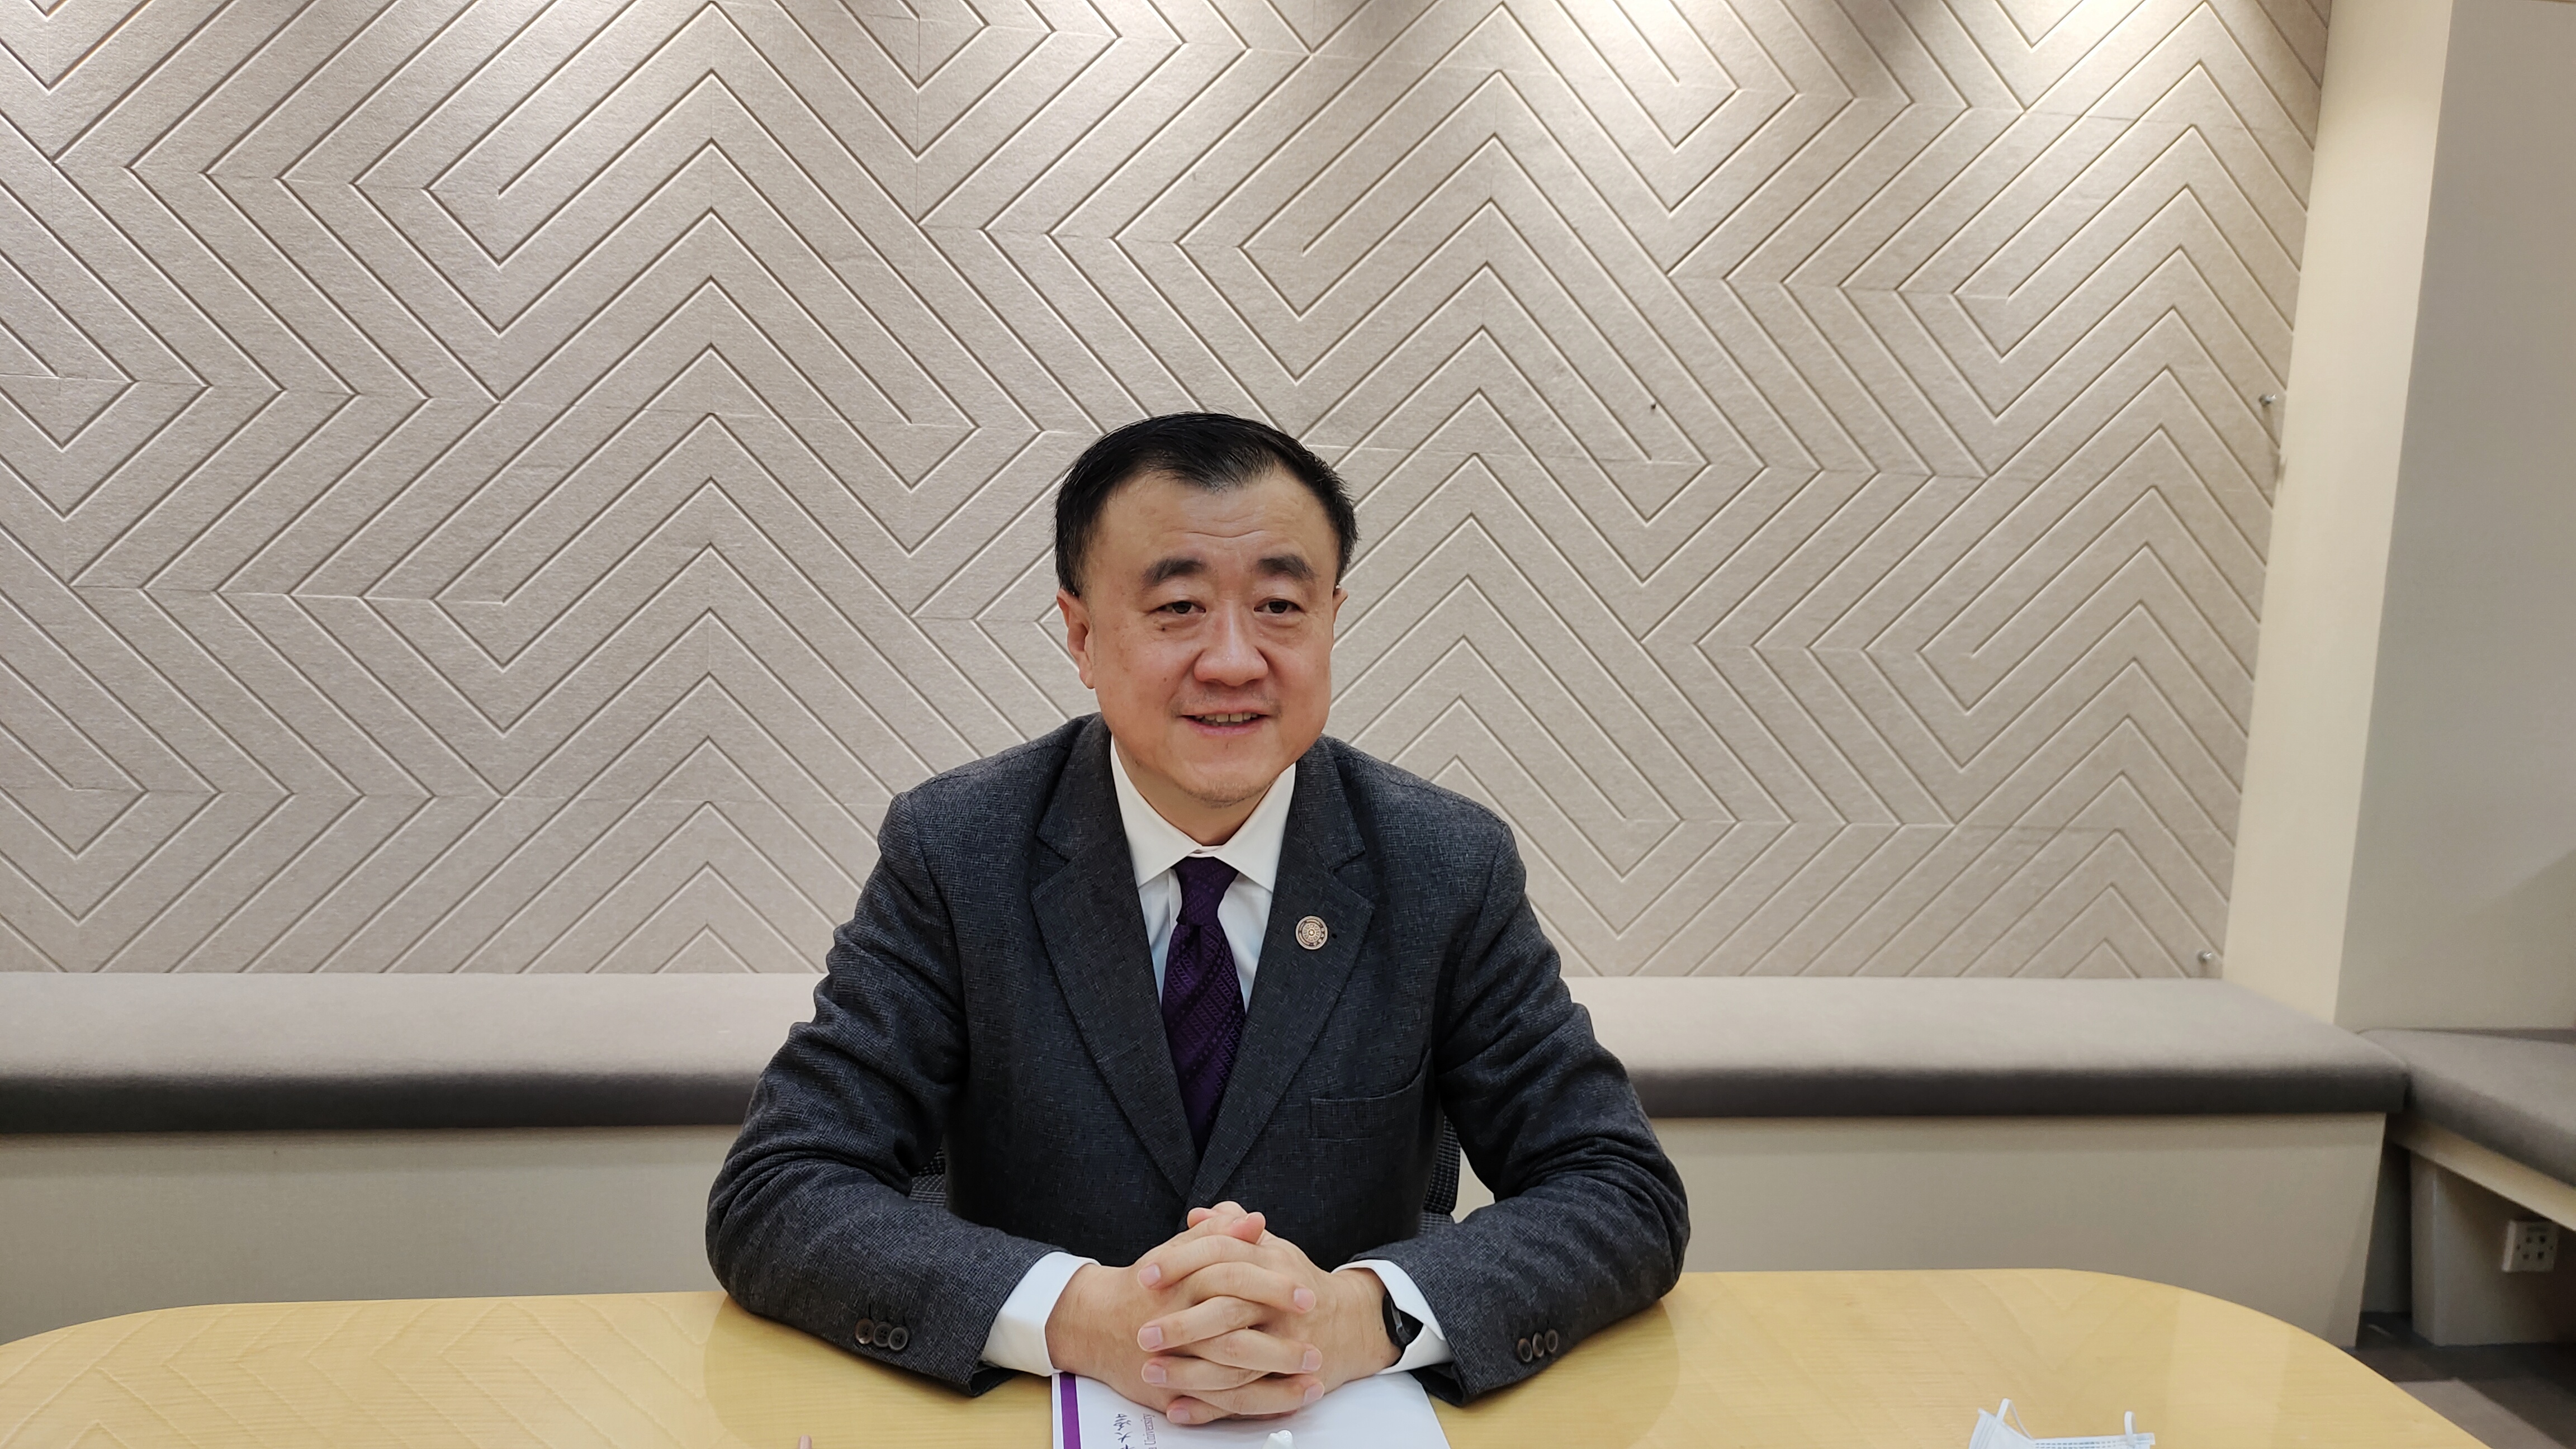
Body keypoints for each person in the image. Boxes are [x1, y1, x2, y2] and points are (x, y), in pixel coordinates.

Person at [708, 413, 1687, 1422]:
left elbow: (1618, 1186)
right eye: (1178, 606)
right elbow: (781, 1187)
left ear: (1332, 620)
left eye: (1279, 606)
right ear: (1082, 635)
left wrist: (1362, 1317)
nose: (1232, 660)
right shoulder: (960, 852)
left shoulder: (1443, 864)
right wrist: (1083, 1316)